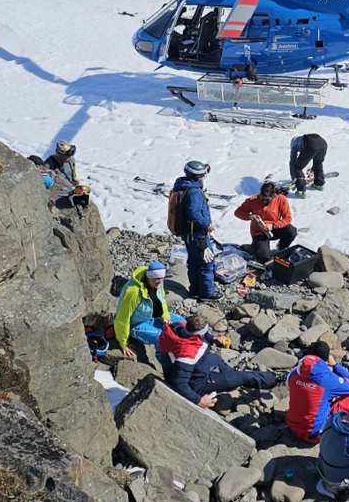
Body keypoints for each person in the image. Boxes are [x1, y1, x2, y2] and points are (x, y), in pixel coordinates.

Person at [155, 318, 278, 410]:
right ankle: (275, 379)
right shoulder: (189, 353)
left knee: (215, 358)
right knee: (244, 377)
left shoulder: (176, 327)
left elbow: (197, 336)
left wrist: (213, 338)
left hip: (187, 368)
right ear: (200, 334)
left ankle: (233, 377)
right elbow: (179, 383)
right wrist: (198, 400)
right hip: (197, 384)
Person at [283, 340, 349, 446]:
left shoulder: (295, 373)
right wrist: (335, 365)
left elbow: (289, 387)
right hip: (313, 434)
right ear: (327, 358)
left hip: (292, 425)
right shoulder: (328, 379)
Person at [111, 261, 182, 366]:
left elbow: (162, 302)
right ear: (149, 277)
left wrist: (165, 316)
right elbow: (122, 318)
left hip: (153, 316)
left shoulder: (159, 284)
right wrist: (123, 343)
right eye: (157, 278)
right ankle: (167, 364)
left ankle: (184, 352)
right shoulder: (133, 292)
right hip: (136, 324)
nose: (160, 281)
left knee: (182, 322)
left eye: (162, 278)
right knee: (162, 338)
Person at [169, 160, 216, 299]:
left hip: (188, 234)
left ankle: (195, 289)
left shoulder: (182, 187)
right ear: (198, 176)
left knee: (194, 261)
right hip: (198, 234)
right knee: (206, 262)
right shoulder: (194, 192)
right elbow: (194, 213)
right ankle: (207, 293)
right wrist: (206, 224)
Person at [233, 178, 297, 259]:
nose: (264, 202)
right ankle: (254, 248)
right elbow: (237, 212)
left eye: (267, 200)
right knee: (265, 258)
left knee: (291, 231)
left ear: (274, 196)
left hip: (274, 228)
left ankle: (281, 248)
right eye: (262, 199)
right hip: (259, 232)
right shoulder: (252, 200)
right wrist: (249, 216)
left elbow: (287, 218)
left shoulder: (281, 199)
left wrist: (273, 226)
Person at [42, 140, 90, 211]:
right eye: (67, 156)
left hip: (70, 188)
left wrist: (76, 184)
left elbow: (74, 174)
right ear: (60, 155)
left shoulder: (71, 160)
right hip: (59, 192)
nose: (70, 158)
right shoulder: (48, 165)